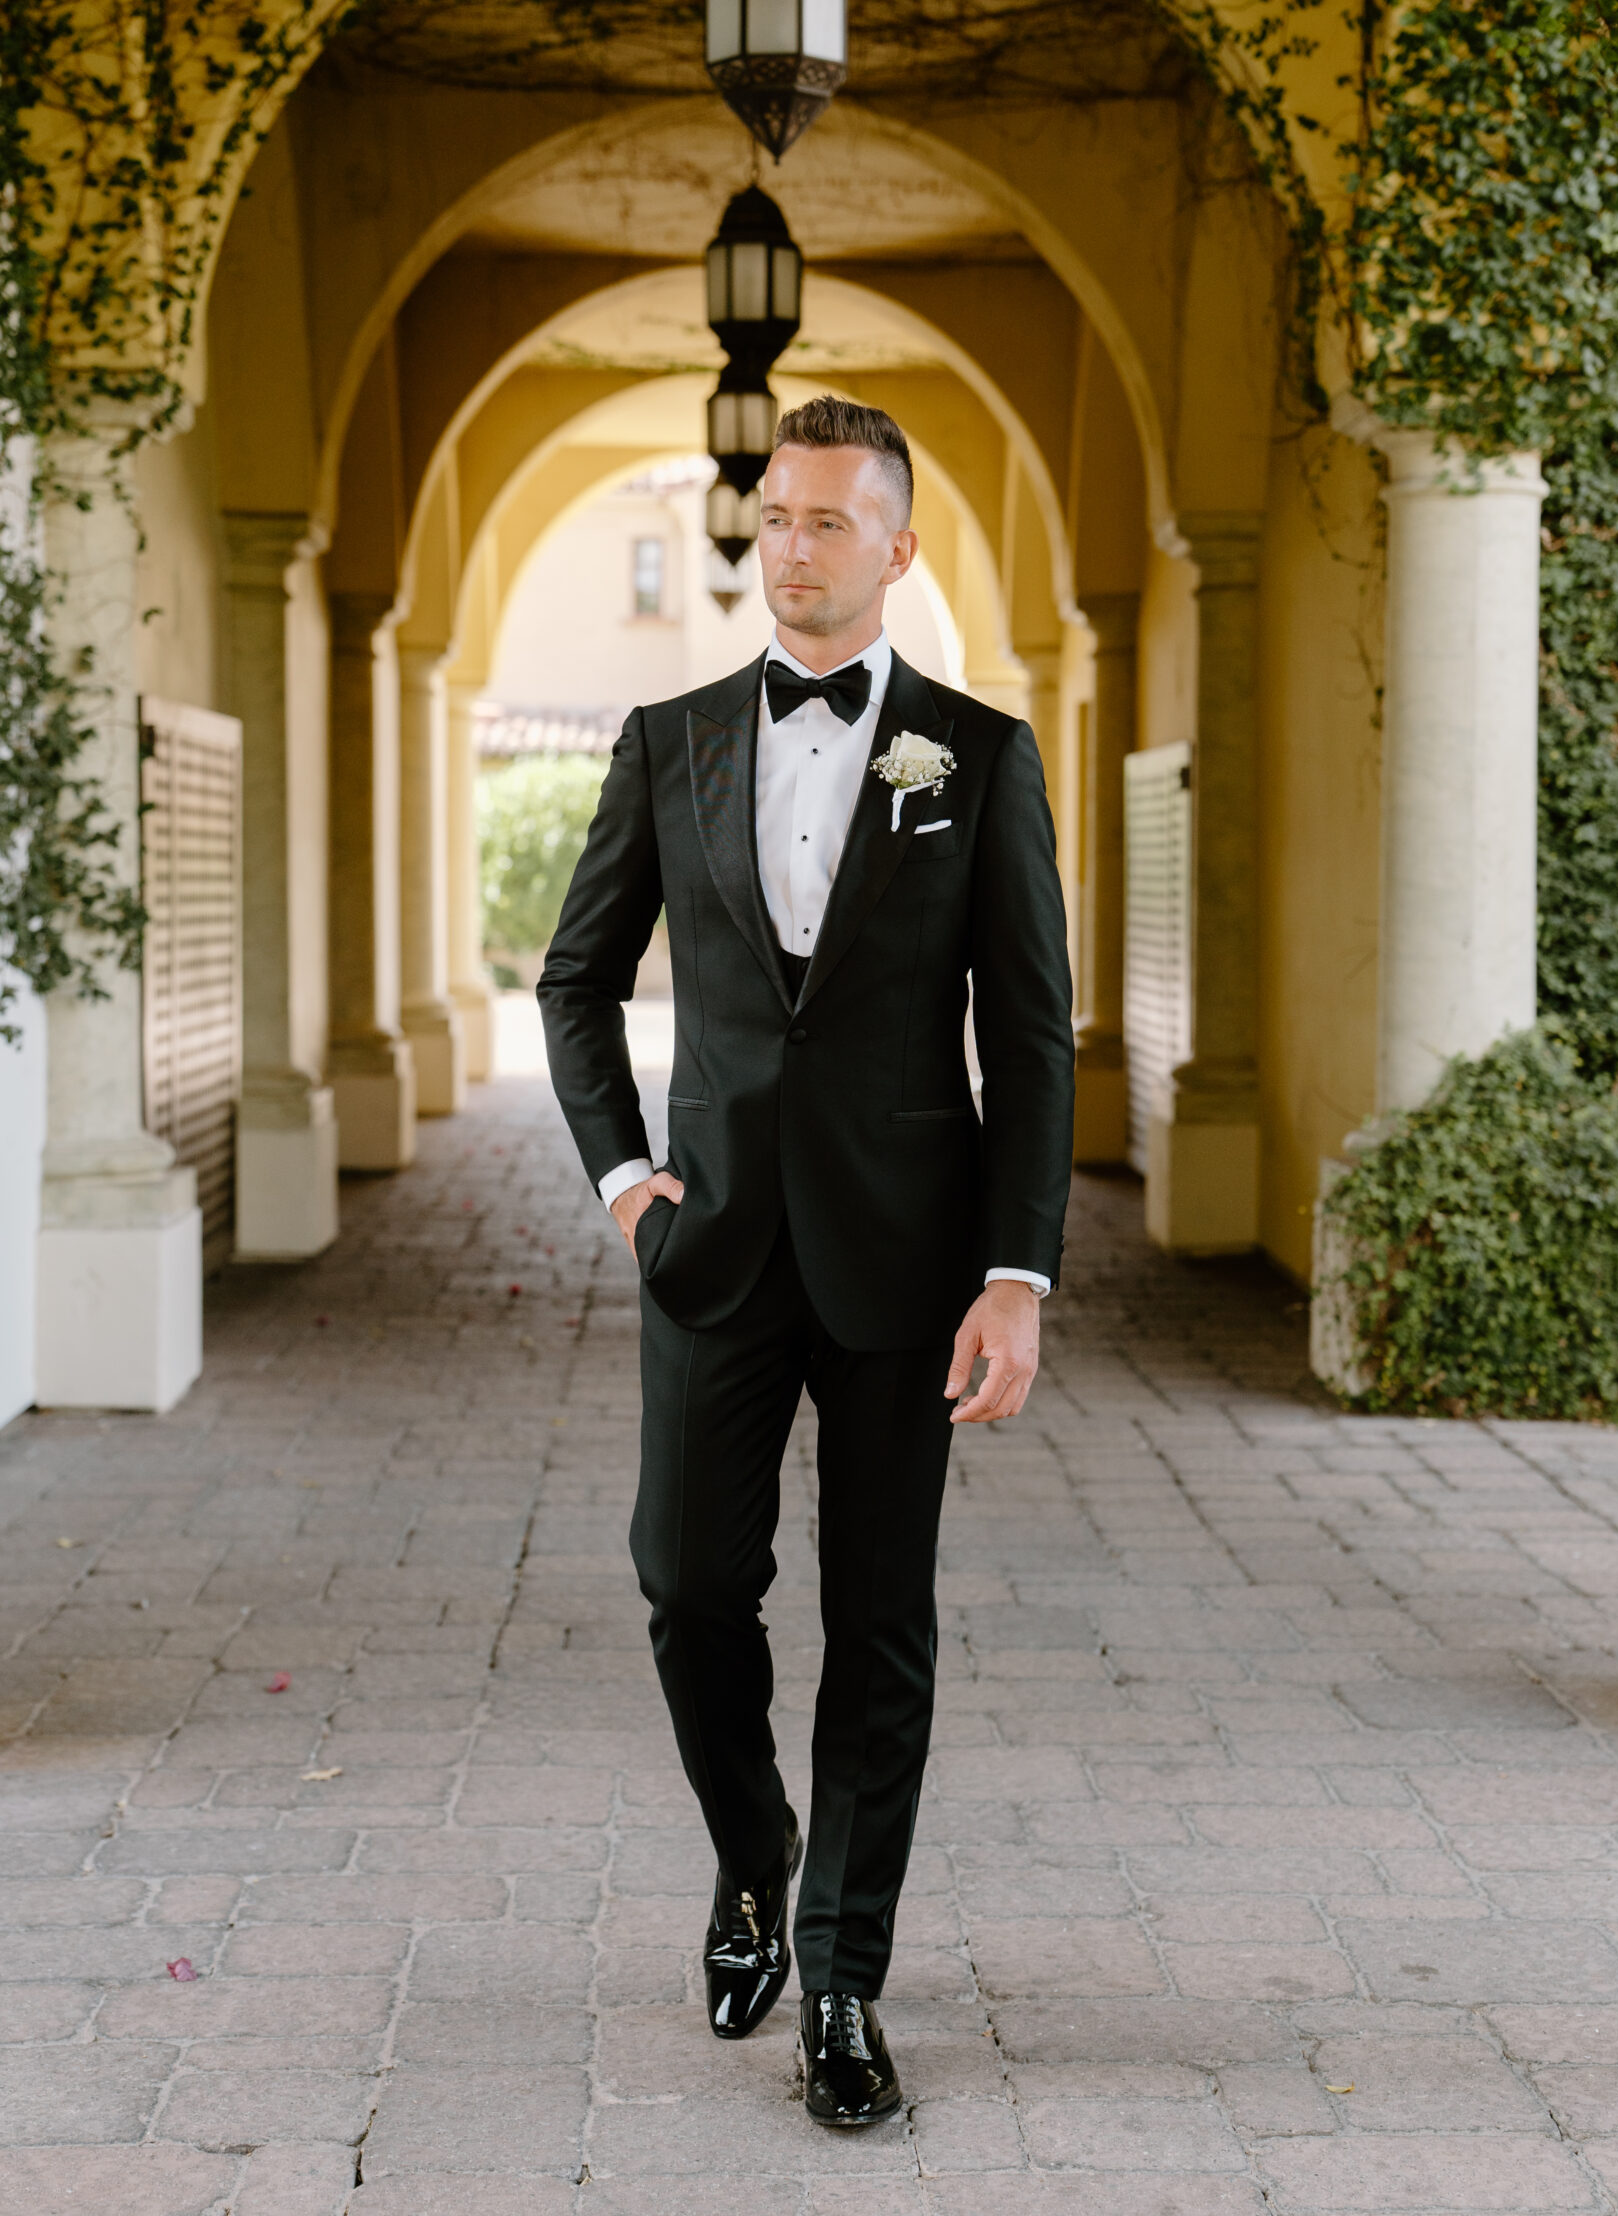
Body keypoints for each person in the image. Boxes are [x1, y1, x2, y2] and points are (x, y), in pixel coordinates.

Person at [538, 394, 1074, 2126]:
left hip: (910, 1265)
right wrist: (626, 1180)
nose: (792, 546)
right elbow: (576, 978)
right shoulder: (670, 735)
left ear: (898, 550)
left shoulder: (976, 759)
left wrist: (1019, 1274)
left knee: (882, 1628)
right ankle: (755, 1853)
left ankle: (842, 1983)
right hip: (712, 1248)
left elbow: (1036, 1035)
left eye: (830, 521)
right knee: (688, 1585)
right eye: (776, 515)